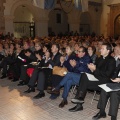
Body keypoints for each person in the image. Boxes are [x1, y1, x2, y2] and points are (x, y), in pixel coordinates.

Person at [69, 43, 116, 112]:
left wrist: (95, 69)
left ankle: (79, 101)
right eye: (101, 48)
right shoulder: (99, 58)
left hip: (104, 81)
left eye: (103, 49)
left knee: (83, 83)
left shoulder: (111, 60)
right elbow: (95, 71)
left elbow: (107, 74)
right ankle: (80, 99)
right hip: (97, 78)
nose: (100, 50)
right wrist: (91, 69)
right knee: (84, 75)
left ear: (108, 51)